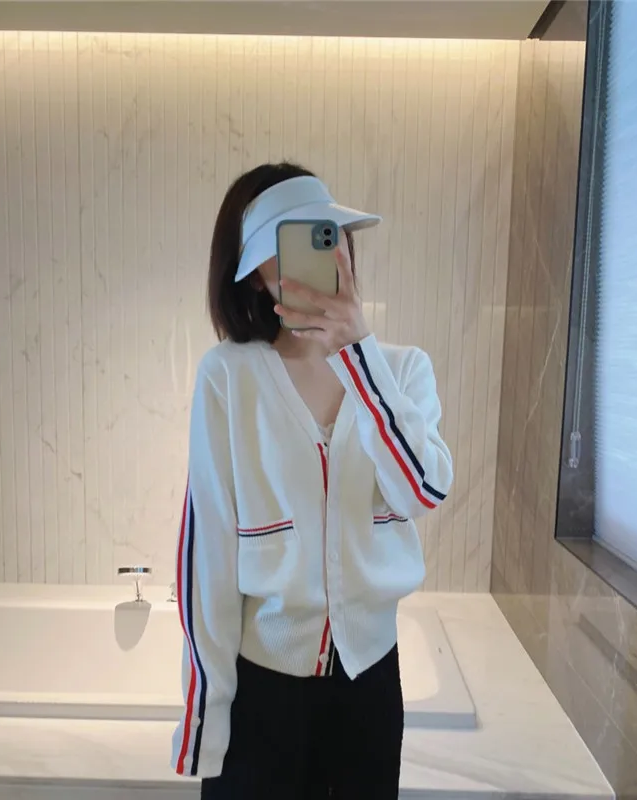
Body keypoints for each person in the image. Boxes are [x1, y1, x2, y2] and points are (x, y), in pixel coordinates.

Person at [171, 162, 454, 800]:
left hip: (370, 689)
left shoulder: (402, 371)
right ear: (254, 271)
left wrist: (357, 354)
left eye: (324, 235)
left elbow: (423, 491)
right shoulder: (229, 377)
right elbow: (206, 557)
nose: (309, 260)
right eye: (287, 243)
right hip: (262, 692)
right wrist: (204, 718)